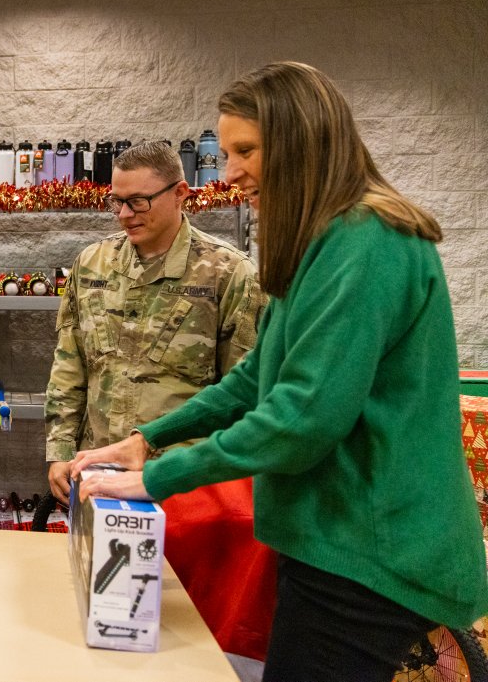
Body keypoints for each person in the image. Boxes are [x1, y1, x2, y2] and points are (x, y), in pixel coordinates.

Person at [72, 62, 488, 682]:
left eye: (246, 150)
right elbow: (252, 380)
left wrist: (162, 477)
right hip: (333, 541)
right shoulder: (320, 241)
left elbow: (300, 419)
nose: (229, 169)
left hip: (372, 554)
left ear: (300, 143)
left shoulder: (366, 241)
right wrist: (146, 441)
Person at [45, 139, 265, 504]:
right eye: (117, 201)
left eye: (138, 201)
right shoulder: (91, 264)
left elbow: (243, 392)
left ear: (180, 193)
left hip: (184, 486)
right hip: (97, 473)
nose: (124, 214)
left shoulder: (230, 274)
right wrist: (60, 451)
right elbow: (70, 367)